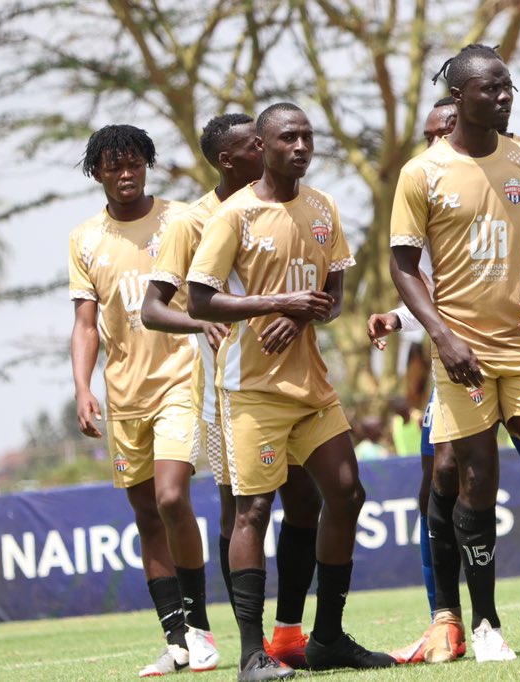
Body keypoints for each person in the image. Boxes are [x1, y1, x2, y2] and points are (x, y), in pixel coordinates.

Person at [187, 102, 395, 679]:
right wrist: (273, 305)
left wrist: (303, 318)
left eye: (308, 136)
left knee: (347, 492)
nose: (301, 146)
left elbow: (334, 293)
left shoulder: (323, 208)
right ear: (262, 144)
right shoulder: (235, 215)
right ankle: (253, 655)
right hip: (250, 388)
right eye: (288, 138)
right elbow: (199, 300)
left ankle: (327, 638)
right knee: (253, 510)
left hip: (312, 385)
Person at [389, 44, 520, 661]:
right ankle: (485, 623)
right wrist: (442, 335)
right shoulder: (423, 172)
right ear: (460, 96)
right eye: (491, 90)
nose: (503, 98)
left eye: (509, 89)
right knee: (476, 479)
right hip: (461, 353)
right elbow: (403, 267)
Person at [140, 113, 322, 669]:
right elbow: (153, 307)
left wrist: (298, 317)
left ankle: (288, 633)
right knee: (240, 509)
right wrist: (203, 325)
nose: (273, 149)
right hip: (228, 387)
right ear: (231, 158)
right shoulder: (193, 220)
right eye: (255, 146)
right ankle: (242, 641)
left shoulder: (292, 206)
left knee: (306, 502)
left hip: (294, 381)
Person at [68, 124, 218, 676]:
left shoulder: (180, 220)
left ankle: (201, 629)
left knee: (173, 498)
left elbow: (212, 284)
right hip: (122, 395)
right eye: (113, 166)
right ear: (97, 172)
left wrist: (213, 321)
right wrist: (83, 388)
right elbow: (86, 325)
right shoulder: (84, 238)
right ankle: (176, 641)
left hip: (179, 381)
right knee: (146, 516)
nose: (125, 173)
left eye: (134, 163)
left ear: (147, 165)